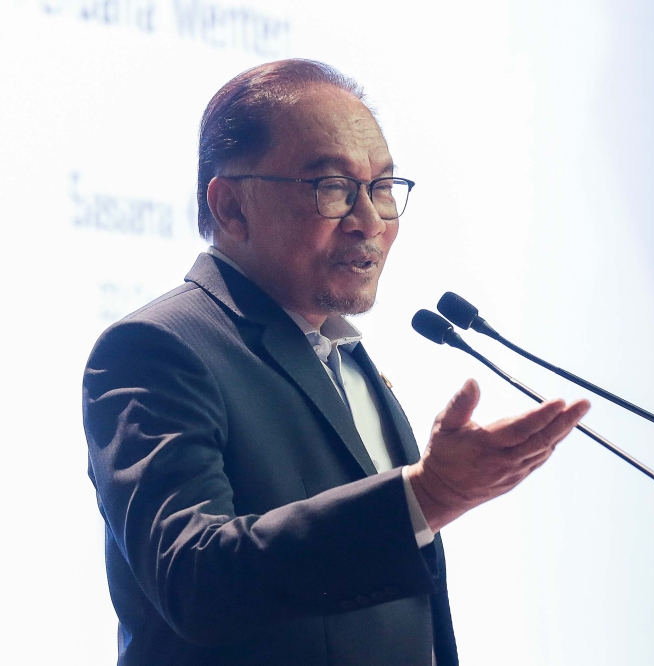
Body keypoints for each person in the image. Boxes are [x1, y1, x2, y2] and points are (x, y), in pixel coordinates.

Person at [82, 59, 589, 666]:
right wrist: (424, 496)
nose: (370, 222)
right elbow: (196, 581)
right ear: (231, 207)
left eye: (381, 189)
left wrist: (424, 501)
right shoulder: (157, 347)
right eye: (333, 189)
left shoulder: (345, 355)